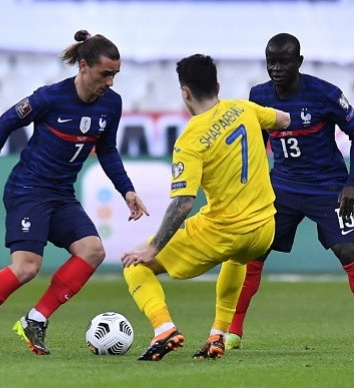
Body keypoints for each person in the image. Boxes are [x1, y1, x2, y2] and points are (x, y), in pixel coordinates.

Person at [0, 29, 149, 355]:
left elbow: (107, 150)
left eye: (115, 75)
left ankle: (35, 319)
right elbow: (6, 122)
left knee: (93, 251)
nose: (110, 82)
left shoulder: (112, 104)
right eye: (104, 74)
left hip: (61, 195)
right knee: (26, 267)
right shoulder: (50, 97)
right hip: (29, 189)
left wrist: (127, 191)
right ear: (83, 66)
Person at [225, 33, 354, 352]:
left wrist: (353, 183)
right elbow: (257, 142)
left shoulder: (325, 94)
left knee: (347, 252)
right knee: (253, 252)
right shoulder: (258, 95)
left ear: (298, 62)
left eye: (283, 61)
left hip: (328, 187)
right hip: (282, 187)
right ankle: (232, 332)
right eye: (270, 61)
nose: (275, 68)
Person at [121, 53, 290, 361]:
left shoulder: (190, 138)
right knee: (237, 259)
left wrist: (154, 247)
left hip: (224, 231)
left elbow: (184, 202)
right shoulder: (243, 108)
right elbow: (284, 120)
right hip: (264, 230)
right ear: (218, 85)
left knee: (136, 265)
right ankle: (218, 335)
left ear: (184, 92)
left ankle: (164, 329)